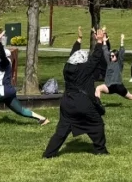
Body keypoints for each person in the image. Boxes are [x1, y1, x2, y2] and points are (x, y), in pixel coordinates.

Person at [43, 27, 109, 158]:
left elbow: (73, 54)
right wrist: (100, 41)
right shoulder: (85, 68)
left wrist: (79, 40)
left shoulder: (67, 67)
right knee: (97, 124)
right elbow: (96, 57)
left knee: (61, 131)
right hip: (83, 103)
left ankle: (48, 154)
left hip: (67, 103)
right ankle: (100, 150)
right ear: (83, 61)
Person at [0, 29, 49, 130]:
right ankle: (43, 119)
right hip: (9, 91)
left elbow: (1, 53)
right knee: (20, 110)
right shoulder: (6, 63)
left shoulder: (4, 63)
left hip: (2, 91)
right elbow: (0, 52)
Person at [95, 33, 132, 108]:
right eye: (110, 56)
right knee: (98, 88)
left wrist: (122, 41)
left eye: (113, 56)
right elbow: (105, 51)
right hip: (109, 86)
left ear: (117, 57)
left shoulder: (119, 63)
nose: (111, 57)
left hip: (118, 86)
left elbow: (121, 53)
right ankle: (98, 106)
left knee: (130, 96)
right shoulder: (109, 62)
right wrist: (104, 41)